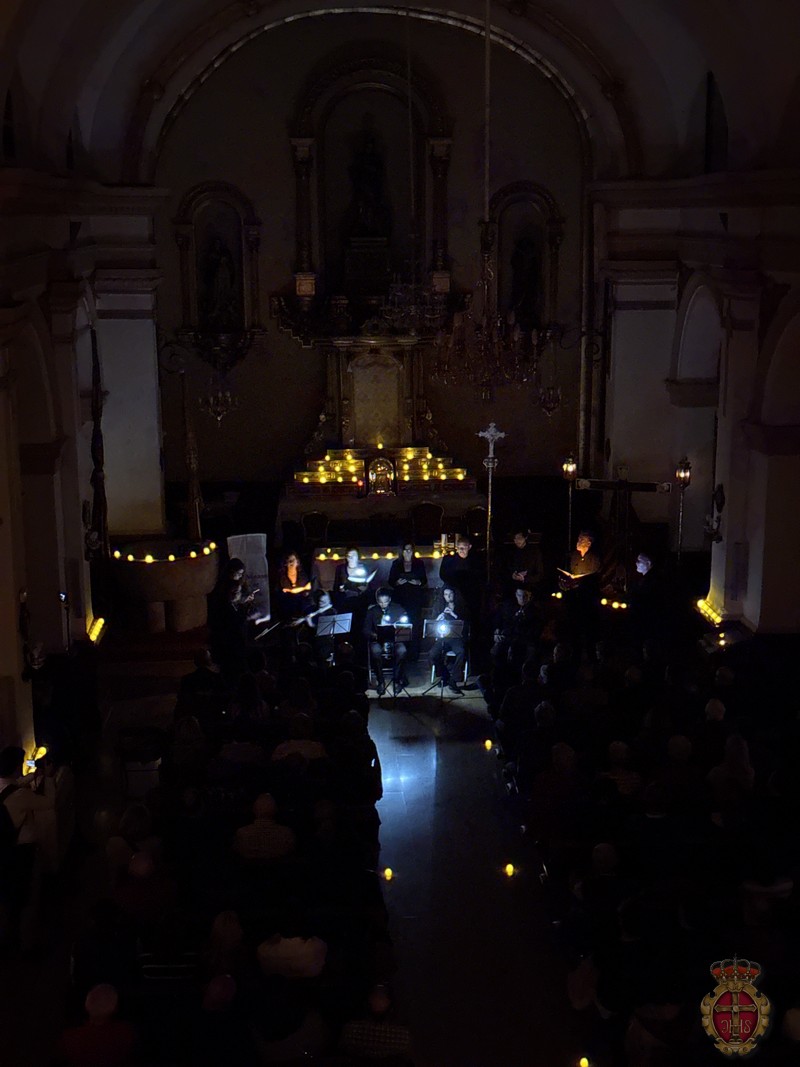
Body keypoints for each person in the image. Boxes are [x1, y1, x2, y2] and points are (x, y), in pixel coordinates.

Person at [559, 530, 601, 655]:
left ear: (589, 543)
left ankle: (590, 654)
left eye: (581, 540)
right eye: (578, 539)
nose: (578, 542)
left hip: (587, 601)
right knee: (573, 630)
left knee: (588, 630)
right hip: (573, 599)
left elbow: (594, 579)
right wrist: (565, 582)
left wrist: (581, 582)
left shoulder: (594, 559)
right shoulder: (573, 556)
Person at [363, 588, 409, 694]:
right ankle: (381, 681)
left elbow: (406, 625)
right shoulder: (372, 611)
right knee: (375, 652)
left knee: (402, 651)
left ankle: (397, 680)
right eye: (380, 602)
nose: (383, 605)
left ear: (390, 600)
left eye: (386, 602)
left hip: (395, 640)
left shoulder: (398, 609)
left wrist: (399, 627)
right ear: (377, 600)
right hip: (377, 640)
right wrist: (375, 635)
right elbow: (365, 630)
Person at [388, 542, 427, 661]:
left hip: (415, 599)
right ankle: (402, 654)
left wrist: (418, 582)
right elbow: (390, 581)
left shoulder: (419, 563)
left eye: (410, 550)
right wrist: (397, 582)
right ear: (402, 551)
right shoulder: (396, 564)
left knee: (415, 626)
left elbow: (424, 580)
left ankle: (414, 655)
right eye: (406, 550)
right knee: (402, 626)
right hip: (401, 599)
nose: (408, 552)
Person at [429, 585, 469, 694]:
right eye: (446, 594)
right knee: (433, 654)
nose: (449, 596)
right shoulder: (439, 607)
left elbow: (466, 624)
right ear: (443, 596)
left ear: (454, 595)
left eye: (451, 594)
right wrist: (438, 618)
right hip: (443, 638)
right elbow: (432, 624)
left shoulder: (461, 607)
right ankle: (444, 675)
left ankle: (454, 680)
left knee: (461, 652)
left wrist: (453, 614)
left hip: (456, 638)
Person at [438, 535, 482, 623]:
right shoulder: (448, 560)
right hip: (454, 595)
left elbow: (479, 577)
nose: (461, 550)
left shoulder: (476, 561)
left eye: (464, 547)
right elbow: (443, 574)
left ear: (469, 547)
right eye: (459, 547)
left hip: (470, 596)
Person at [333, 547, 377, 622]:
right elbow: (336, 586)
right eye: (349, 556)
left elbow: (370, 586)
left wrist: (365, 589)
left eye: (353, 555)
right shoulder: (341, 568)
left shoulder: (364, 568)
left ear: (358, 557)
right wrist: (340, 589)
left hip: (360, 603)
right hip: (345, 603)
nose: (351, 558)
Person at [504, 528, 543, 594]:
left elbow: (539, 574)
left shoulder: (534, 552)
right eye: (515, 539)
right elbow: (507, 568)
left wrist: (525, 578)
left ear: (525, 537)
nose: (516, 541)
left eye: (519, 538)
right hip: (514, 587)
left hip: (530, 587)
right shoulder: (511, 552)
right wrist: (512, 575)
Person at [276, 550, 312, 621]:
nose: (291, 562)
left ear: (297, 562)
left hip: (302, 607)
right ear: (285, 563)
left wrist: (293, 591)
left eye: (292, 560)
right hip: (288, 608)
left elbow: (308, 590)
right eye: (289, 561)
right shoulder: (282, 577)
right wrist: (301, 589)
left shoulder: (303, 576)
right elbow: (282, 592)